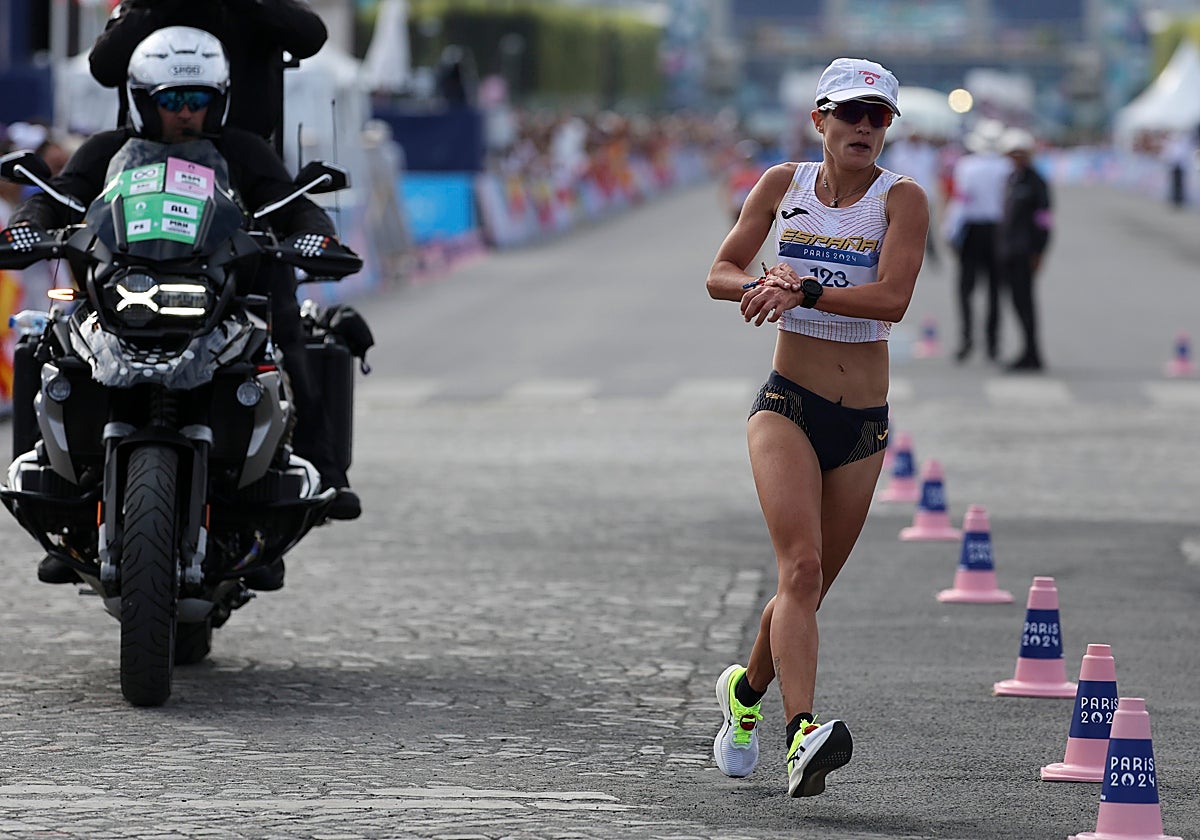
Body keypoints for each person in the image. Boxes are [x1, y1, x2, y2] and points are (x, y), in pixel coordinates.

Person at [8, 26, 357, 589]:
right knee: (46, 343)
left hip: (220, 301)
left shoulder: (243, 149)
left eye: (198, 100)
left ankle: (315, 472)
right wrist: (27, 227)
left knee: (289, 336)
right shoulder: (104, 151)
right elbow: (58, 197)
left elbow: (291, 206)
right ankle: (60, 496)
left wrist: (316, 237)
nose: (186, 112)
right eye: (171, 100)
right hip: (120, 296)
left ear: (219, 100)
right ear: (144, 100)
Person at [704, 58, 927, 798]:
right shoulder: (782, 185)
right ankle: (803, 732)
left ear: (889, 127)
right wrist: (761, 283)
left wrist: (809, 285)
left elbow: (893, 299)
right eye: (851, 113)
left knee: (812, 586)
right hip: (788, 404)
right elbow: (722, 270)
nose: (864, 127)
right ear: (819, 120)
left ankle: (744, 695)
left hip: (862, 423)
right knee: (798, 568)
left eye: (879, 116)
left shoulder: (904, 200)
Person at [88, 0, 327, 150]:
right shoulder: (148, 7)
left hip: (241, 162)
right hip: (151, 156)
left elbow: (311, 37)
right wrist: (159, 8)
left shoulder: (254, 10)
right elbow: (104, 68)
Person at [948, 120, 1011, 363]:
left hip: (972, 230)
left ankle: (966, 339)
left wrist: (950, 232)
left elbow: (960, 202)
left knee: (966, 289)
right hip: (997, 230)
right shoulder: (1006, 167)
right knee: (995, 289)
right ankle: (992, 343)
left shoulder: (967, 166)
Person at [995, 127, 1052, 372]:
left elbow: (1044, 220)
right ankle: (1028, 351)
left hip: (1025, 251)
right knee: (1016, 303)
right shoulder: (1012, 178)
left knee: (1025, 304)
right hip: (1009, 250)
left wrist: (1039, 252)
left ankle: (1032, 353)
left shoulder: (1036, 182)